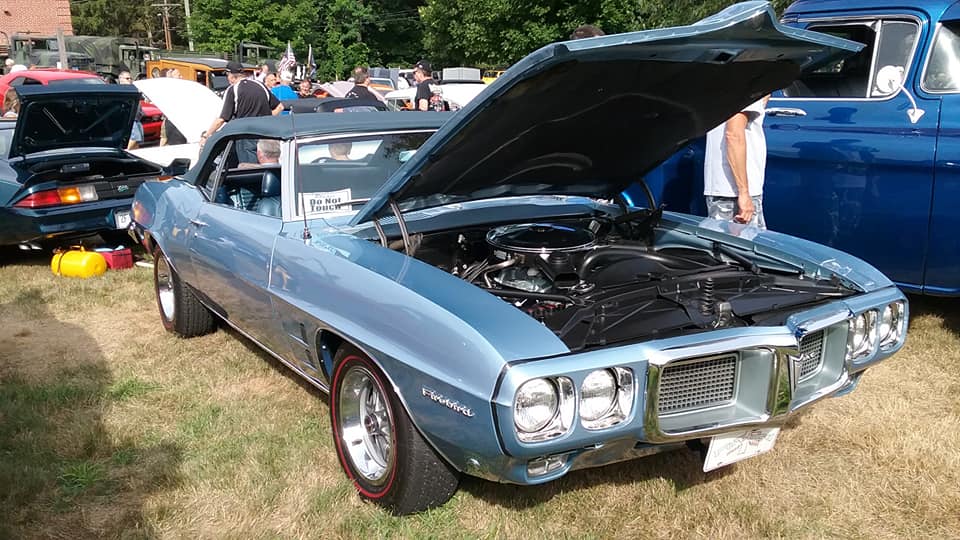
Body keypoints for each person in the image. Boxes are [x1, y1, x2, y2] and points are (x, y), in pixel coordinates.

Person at [703, 96, 770, 229]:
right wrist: (744, 193)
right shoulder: (751, 87)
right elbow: (733, 135)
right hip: (734, 194)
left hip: (725, 189)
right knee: (741, 247)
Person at [201, 61, 283, 163]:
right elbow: (280, 107)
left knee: (249, 171)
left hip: (246, 138)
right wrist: (266, 117)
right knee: (268, 168)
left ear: (231, 76)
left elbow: (222, 119)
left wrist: (206, 136)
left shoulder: (233, 90)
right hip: (266, 135)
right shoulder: (260, 85)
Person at [160, 68, 187, 146]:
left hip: (176, 121)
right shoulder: (169, 90)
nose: (181, 77)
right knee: (168, 141)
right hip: (171, 122)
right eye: (179, 75)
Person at [118, 70, 144, 149]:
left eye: (130, 78)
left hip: (137, 119)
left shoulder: (133, 89)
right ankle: (124, 153)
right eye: (127, 78)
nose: (130, 80)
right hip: (130, 120)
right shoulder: (120, 91)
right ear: (120, 79)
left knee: (137, 143)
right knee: (135, 138)